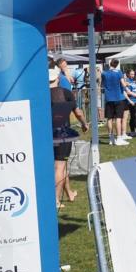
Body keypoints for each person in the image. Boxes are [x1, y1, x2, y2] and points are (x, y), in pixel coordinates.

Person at [51, 68, 87, 207]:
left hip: (45, 134)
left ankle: (69, 193)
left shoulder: (40, 93)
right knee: (59, 166)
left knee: (60, 166)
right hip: (62, 133)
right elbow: (77, 113)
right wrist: (84, 124)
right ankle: (56, 200)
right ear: (58, 78)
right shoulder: (66, 93)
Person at [102, 58, 129, 146]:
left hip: (109, 98)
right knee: (118, 118)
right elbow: (123, 84)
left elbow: (102, 84)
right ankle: (119, 138)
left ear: (110, 64)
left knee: (109, 119)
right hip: (118, 98)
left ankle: (111, 138)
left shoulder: (104, 73)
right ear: (117, 65)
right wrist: (127, 83)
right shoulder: (119, 73)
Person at [124, 68, 136, 135]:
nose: (133, 75)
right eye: (131, 74)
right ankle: (132, 131)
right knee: (133, 116)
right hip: (131, 101)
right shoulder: (127, 81)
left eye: (133, 74)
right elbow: (128, 92)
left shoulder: (133, 81)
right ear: (128, 74)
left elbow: (134, 89)